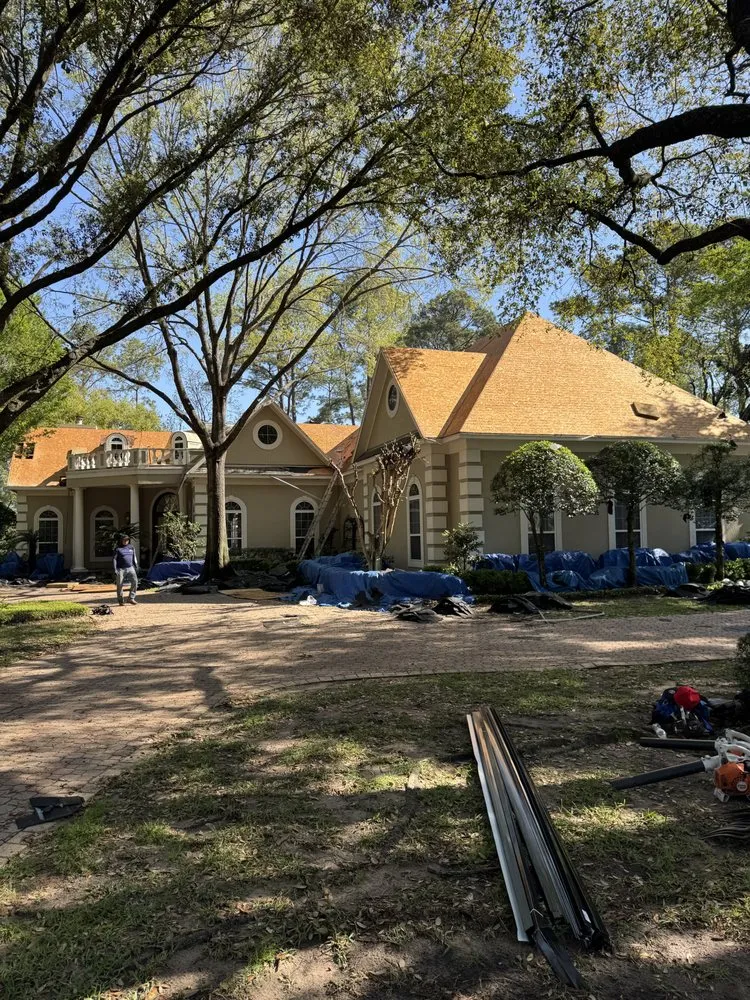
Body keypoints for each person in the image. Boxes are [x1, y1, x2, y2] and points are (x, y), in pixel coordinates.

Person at [113, 534, 138, 605]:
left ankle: (131, 598)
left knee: (135, 582)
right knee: (119, 584)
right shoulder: (118, 549)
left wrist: (136, 565)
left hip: (131, 568)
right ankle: (121, 601)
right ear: (121, 540)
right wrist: (115, 569)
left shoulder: (131, 547)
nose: (126, 541)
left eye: (127, 540)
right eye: (124, 540)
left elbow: (134, 557)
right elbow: (114, 559)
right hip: (120, 569)